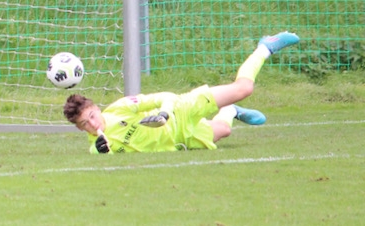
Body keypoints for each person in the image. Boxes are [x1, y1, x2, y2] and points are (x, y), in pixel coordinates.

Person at [62, 32, 299, 154]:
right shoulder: (98, 147)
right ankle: (230, 111)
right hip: (180, 138)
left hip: (181, 110)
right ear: (80, 129)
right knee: (224, 130)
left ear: (96, 108)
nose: (93, 124)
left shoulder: (121, 107)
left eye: (92, 116)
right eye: (85, 124)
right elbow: (100, 155)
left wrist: (164, 114)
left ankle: (265, 47)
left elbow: (166, 96)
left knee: (244, 89)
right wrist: (102, 152)